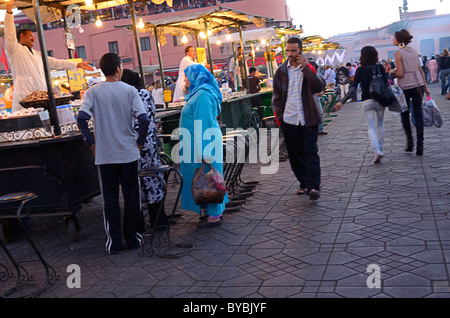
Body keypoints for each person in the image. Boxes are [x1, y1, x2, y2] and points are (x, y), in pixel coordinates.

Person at [76, 53, 149, 254]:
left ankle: (114, 243)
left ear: (102, 70)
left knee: (110, 199)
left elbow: (81, 119)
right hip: (128, 153)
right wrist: (140, 143)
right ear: (119, 68)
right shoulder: (130, 91)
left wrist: (91, 143)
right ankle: (133, 239)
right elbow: (143, 120)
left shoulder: (92, 92)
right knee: (132, 197)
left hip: (105, 154)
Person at [4, 0, 93, 112]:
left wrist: (77, 64)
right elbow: (10, 35)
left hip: (42, 100)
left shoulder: (37, 55)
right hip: (24, 100)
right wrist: (9, 11)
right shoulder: (15, 50)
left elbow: (56, 63)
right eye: (31, 35)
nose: (33, 38)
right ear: (22, 36)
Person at [272, 37, 325, 200]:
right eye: (287, 50)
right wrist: (279, 118)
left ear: (300, 51)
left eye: (293, 50)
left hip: (307, 118)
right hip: (289, 119)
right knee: (295, 156)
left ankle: (314, 186)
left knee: (310, 152)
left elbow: (319, 87)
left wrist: (306, 68)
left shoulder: (309, 68)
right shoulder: (281, 71)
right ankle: (304, 182)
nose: (290, 54)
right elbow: (277, 97)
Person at [178, 64, 228, 227]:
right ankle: (209, 211)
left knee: (210, 177)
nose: (184, 79)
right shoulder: (198, 94)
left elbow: (203, 123)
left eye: (186, 76)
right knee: (204, 177)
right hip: (196, 143)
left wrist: (206, 151)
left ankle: (214, 215)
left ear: (195, 77)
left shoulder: (202, 95)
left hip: (203, 143)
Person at [121, 69, 168, 229]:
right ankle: (157, 220)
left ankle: (152, 222)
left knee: (145, 181)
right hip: (145, 143)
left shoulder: (136, 94)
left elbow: (141, 120)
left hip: (141, 143)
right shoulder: (139, 93)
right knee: (149, 181)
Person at [334, 46, 388, 164]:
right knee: (380, 125)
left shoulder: (360, 70)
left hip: (367, 101)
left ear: (362, 56)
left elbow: (353, 88)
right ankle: (380, 149)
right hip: (380, 100)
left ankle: (376, 151)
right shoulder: (380, 67)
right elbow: (386, 84)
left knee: (371, 126)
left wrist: (342, 102)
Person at [389, 29, 430, 156]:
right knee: (418, 115)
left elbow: (400, 73)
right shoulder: (414, 51)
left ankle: (410, 143)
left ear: (399, 40)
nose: (393, 40)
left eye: (394, 38)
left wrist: (392, 72)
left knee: (405, 115)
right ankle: (420, 145)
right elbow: (420, 70)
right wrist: (426, 87)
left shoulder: (398, 54)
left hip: (405, 87)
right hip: (419, 85)